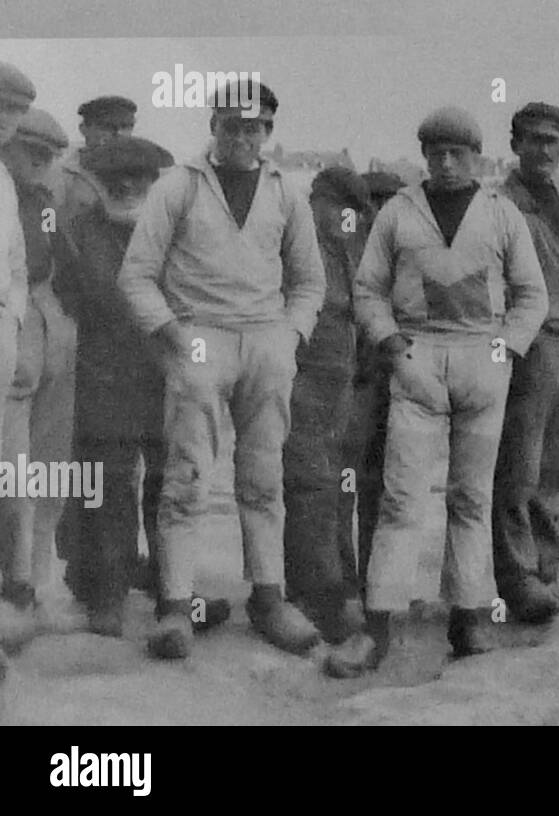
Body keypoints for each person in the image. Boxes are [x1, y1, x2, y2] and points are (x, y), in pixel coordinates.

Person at [327, 107, 547, 675]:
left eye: (459, 153)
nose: (447, 164)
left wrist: (504, 351)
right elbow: (368, 290)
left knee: (470, 497)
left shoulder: (502, 214)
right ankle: (379, 626)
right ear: (423, 155)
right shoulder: (398, 214)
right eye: (437, 153)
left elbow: (531, 296)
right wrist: (394, 348)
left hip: (482, 357)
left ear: (477, 156)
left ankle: (469, 617)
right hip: (417, 357)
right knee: (402, 500)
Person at [119, 84, 326, 661]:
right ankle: (175, 607)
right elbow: (136, 275)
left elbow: (309, 282)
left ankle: (267, 597)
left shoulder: (288, 192)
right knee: (186, 477)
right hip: (200, 336)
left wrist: (290, 336)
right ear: (213, 124)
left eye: (254, 128)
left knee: (263, 478)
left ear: (269, 133)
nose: (242, 137)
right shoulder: (179, 185)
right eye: (232, 126)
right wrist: (177, 337)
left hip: (265, 340)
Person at [57, 136, 187, 637]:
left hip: (162, 373)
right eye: (115, 178)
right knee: (108, 488)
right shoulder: (76, 232)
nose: (127, 184)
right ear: (100, 183)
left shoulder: (174, 233)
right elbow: (69, 298)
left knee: (169, 483)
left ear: (154, 183)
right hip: (103, 375)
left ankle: (172, 593)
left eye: (138, 177)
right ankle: (107, 596)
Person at [492, 102, 559, 623]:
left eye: (552, 141)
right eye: (533, 139)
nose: (543, 150)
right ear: (515, 144)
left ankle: (551, 569)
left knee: (558, 460)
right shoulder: (502, 203)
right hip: (532, 340)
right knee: (520, 461)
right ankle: (517, 574)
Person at [282, 167, 371, 645]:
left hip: (340, 381)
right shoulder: (302, 237)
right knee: (311, 483)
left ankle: (332, 587)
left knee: (332, 486)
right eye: (340, 209)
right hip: (306, 375)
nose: (343, 220)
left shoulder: (344, 242)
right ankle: (318, 595)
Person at [0, 109, 74, 651]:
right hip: (16, 322)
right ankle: (17, 583)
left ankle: (34, 582)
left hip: (45, 316)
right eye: (34, 155)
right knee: (14, 465)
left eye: (50, 158)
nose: (42, 166)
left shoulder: (43, 205)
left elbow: (58, 260)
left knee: (46, 462)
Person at [345, 170, 406, 600]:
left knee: (385, 487)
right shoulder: (345, 249)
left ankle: (374, 582)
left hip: (394, 382)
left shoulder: (404, 254)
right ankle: (343, 580)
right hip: (354, 382)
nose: (380, 209)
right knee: (346, 481)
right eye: (374, 201)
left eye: (389, 201)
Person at [0, 64, 33, 671]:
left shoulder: (4, 179)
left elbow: (19, 267)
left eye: (13, 112)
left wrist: (16, 323)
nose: (5, 120)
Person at [57, 96, 138, 226]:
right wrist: (47, 236)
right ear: (84, 129)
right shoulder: (62, 172)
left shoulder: (143, 174)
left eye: (126, 127)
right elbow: (46, 210)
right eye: (107, 127)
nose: (118, 134)